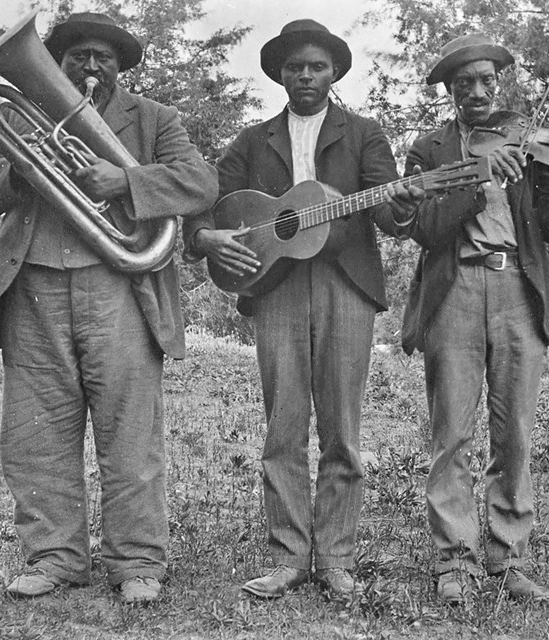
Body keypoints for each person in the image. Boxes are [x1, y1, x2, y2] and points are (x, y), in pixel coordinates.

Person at [0, 12, 217, 603]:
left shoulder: (155, 119)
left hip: (119, 290)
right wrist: (22, 169)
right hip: (34, 289)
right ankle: (54, 557)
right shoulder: (21, 111)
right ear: (58, 62)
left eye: (104, 56)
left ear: (120, 65)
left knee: (130, 432)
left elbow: (200, 184)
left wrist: (124, 183)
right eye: (78, 55)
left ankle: (137, 563)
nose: (91, 66)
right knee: (37, 433)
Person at [183, 19, 422, 598]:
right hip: (277, 286)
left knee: (342, 427)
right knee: (283, 425)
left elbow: (389, 214)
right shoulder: (250, 141)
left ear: (334, 71)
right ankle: (289, 556)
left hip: (347, 284)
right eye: (296, 67)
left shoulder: (365, 134)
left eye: (317, 66)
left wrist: (407, 202)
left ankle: (336, 558)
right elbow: (212, 206)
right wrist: (204, 238)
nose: (306, 75)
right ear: (280, 75)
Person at [399, 33, 549, 603]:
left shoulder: (525, 144)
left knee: (514, 434)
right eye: (465, 84)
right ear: (451, 91)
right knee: (452, 434)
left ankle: (507, 560)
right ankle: (454, 563)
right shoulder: (429, 150)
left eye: (488, 81)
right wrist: (477, 173)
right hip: (455, 287)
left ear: (500, 84)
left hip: (518, 287)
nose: (479, 92)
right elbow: (426, 230)